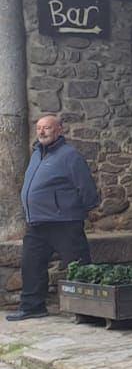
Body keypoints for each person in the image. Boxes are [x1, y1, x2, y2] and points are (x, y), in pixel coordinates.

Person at [9, 114, 98, 321]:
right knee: (31, 265)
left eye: (47, 128)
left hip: (64, 222)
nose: (41, 132)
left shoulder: (70, 155)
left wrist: (78, 211)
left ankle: (88, 311)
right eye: (39, 127)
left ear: (59, 130)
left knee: (78, 265)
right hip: (37, 222)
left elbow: (86, 187)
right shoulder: (37, 154)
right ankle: (32, 307)